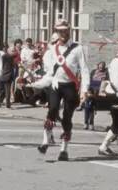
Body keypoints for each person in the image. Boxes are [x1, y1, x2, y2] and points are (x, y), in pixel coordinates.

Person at [29, 20, 90, 161]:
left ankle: (64, 150)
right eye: (59, 31)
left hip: (70, 86)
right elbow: (49, 74)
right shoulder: (51, 50)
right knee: (53, 110)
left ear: (69, 31)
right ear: (56, 32)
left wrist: (84, 90)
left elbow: (85, 70)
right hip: (56, 84)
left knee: (67, 118)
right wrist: (35, 84)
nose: (62, 33)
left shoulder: (78, 48)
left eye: (64, 30)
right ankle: (45, 142)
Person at [84, 61, 109, 130]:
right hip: (91, 89)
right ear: (98, 66)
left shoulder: (106, 73)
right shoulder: (93, 71)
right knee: (87, 107)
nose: (101, 68)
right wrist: (87, 91)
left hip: (98, 91)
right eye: (100, 66)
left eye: (103, 66)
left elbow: (106, 82)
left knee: (92, 109)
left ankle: (91, 124)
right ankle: (86, 123)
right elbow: (88, 80)